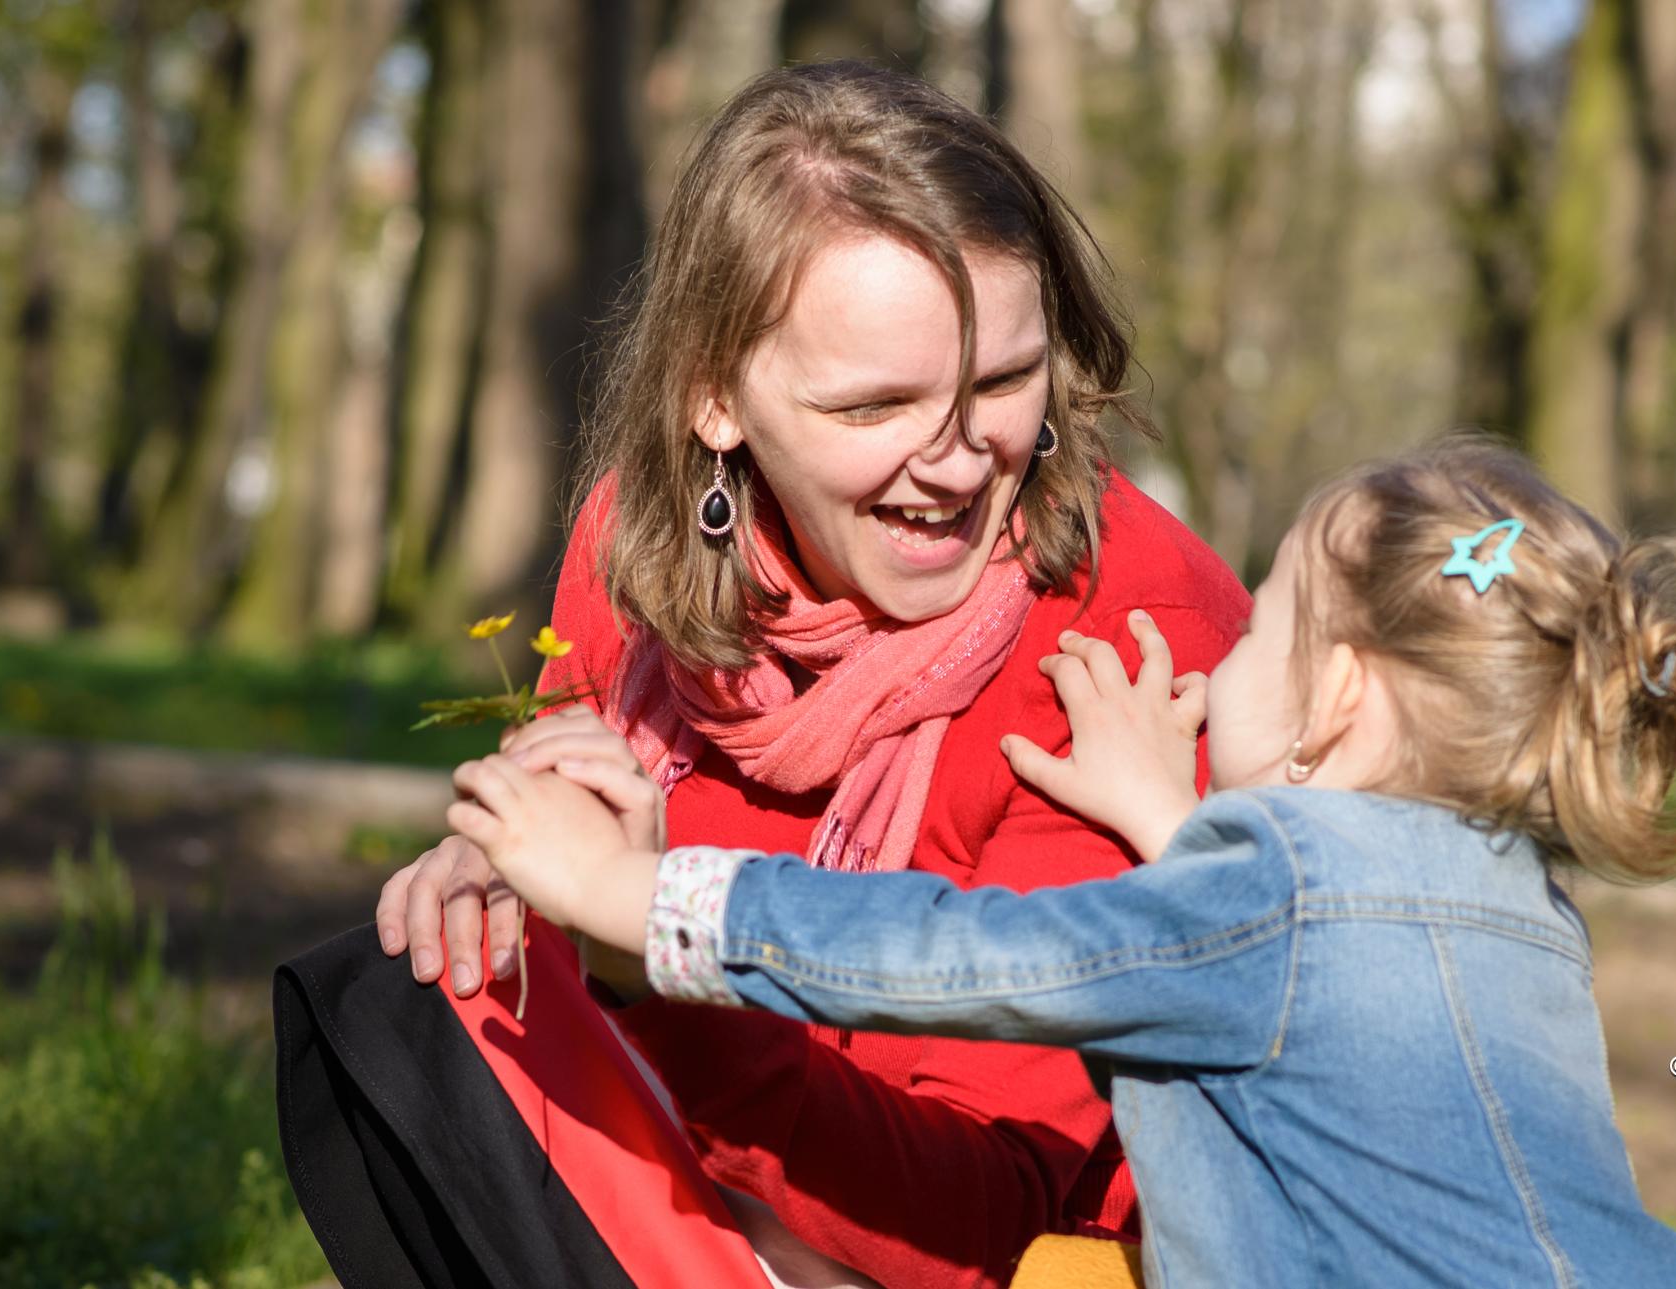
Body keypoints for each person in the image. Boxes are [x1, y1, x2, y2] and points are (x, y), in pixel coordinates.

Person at [449, 436, 1676, 1287]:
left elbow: (947, 957)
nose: (1224, 660)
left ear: (1331, 699)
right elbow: (1329, 1004)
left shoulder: (1264, 903)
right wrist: (1169, 822)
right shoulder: (1525, 915)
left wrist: (634, 897)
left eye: (1260, 623)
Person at [329, 60, 1252, 1288]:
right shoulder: (631, 547)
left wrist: (645, 948)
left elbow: (984, 1216)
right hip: (727, 1178)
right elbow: (567, 859)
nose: (962, 462)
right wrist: (516, 874)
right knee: (410, 998)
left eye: (1002, 382)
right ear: (716, 399)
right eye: (875, 406)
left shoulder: (1126, 631)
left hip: (1036, 1254)